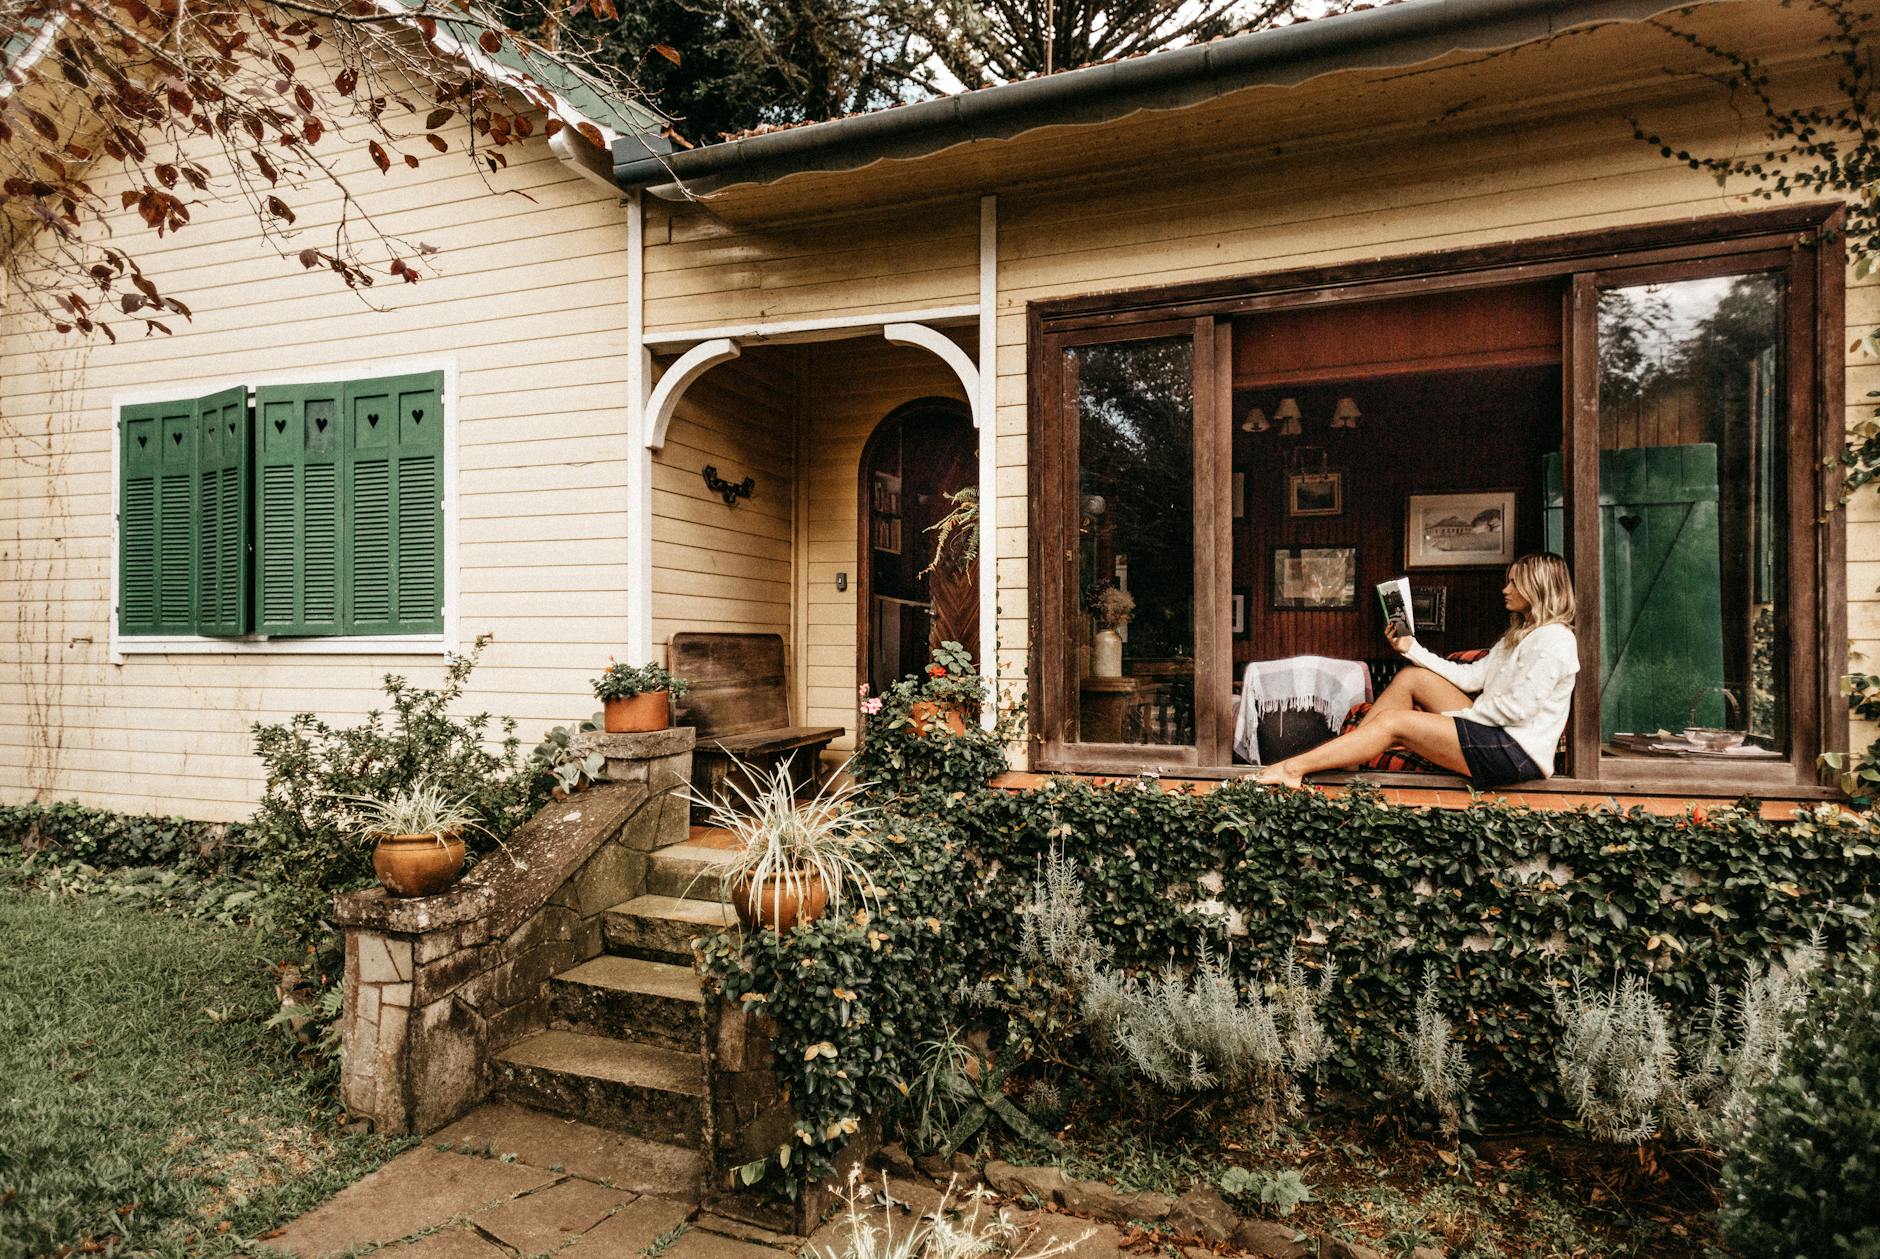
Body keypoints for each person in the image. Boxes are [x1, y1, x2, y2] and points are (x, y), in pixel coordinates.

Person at [1251, 552, 1579, 789]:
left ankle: (1293, 768)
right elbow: (1471, 678)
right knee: (1413, 678)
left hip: (1514, 753)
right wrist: (1412, 648)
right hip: (1493, 730)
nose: (1505, 589)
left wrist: (1447, 722)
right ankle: (1349, 757)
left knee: (1395, 722)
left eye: (1515, 583)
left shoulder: (1555, 640)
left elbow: (1517, 711)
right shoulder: (1519, 636)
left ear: (1538, 588)